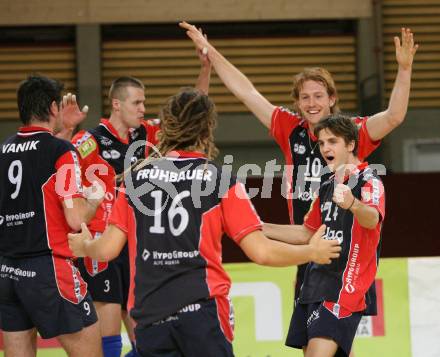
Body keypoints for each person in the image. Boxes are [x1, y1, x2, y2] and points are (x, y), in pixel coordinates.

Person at [180, 22, 416, 353]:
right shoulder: (290, 128)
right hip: (307, 250)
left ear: (332, 99)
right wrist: (210, 50)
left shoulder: (350, 133)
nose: (311, 102)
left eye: (319, 96)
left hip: (343, 257)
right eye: (304, 97)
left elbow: (394, 116)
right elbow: (246, 91)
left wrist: (404, 69)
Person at [68, 87, 342, 357]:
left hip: (151, 318)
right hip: (203, 314)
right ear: (207, 129)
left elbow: (106, 250)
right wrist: (311, 252)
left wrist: (84, 246)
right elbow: (262, 251)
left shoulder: (136, 180)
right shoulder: (217, 179)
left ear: (167, 127)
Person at [70, 49, 213, 357]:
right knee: (108, 342)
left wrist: (206, 69)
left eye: (144, 102)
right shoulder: (89, 141)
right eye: (137, 102)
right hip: (104, 245)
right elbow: (57, 168)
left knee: (146, 342)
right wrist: (65, 130)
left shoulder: (147, 134)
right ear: (117, 104)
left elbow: (191, 111)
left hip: (137, 247)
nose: (143, 108)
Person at [263, 113, 385, 357]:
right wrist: (257, 226)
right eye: (321, 143)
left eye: (332, 141)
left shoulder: (369, 180)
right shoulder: (327, 184)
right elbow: (306, 232)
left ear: (350, 144)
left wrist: (353, 204)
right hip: (313, 285)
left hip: (343, 288)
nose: (325, 148)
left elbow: (372, 218)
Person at [0, 75, 103, 357]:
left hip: (8, 272)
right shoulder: (61, 151)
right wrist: (94, 199)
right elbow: (75, 217)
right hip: (50, 271)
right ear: (55, 108)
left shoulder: (4, 151)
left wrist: (66, 129)